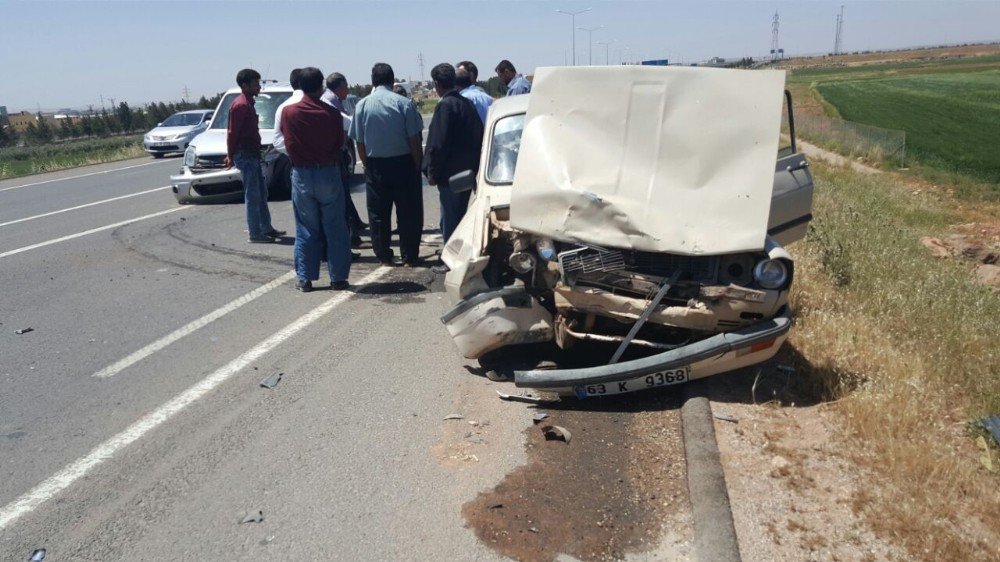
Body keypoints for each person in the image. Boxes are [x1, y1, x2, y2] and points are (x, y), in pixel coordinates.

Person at [279, 67, 352, 292]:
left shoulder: (289, 113)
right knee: (335, 227)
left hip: (302, 173)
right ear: (321, 86)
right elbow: (340, 143)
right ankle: (338, 277)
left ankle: (305, 278)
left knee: (306, 227)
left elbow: (287, 142)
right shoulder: (330, 113)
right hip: (328, 172)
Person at [348, 63, 424, 267]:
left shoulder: (362, 105)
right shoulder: (404, 103)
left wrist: (366, 164)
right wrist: (417, 165)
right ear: (392, 81)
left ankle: (383, 254)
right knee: (409, 212)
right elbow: (414, 140)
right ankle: (409, 255)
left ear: (373, 81)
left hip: (375, 166)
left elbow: (359, 142)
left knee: (378, 214)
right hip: (403, 163)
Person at [423, 63, 484, 274]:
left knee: (450, 220)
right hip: (467, 173)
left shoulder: (446, 106)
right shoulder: (466, 104)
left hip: (450, 176)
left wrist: (432, 171)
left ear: (437, 84)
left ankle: (450, 261)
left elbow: (438, 145)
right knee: (459, 218)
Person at [226, 68, 284, 243]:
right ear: (245, 85)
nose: (259, 87)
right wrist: (230, 155)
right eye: (256, 83)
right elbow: (232, 133)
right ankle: (255, 233)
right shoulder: (240, 105)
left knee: (261, 192)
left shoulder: (248, 103)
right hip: (245, 155)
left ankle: (266, 228)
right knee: (252, 195)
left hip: (253, 154)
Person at [321, 72, 365, 248]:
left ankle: (355, 228)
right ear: (339, 86)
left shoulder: (333, 99)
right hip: (335, 155)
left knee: (345, 195)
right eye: (346, 86)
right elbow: (346, 122)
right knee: (342, 198)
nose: (348, 90)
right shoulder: (329, 101)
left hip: (339, 152)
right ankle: (352, 237)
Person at [272, 68, 304, 156]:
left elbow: (277, 140)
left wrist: (295, 151)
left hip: (295, 161)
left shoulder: (282, 107)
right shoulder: (321, 103)